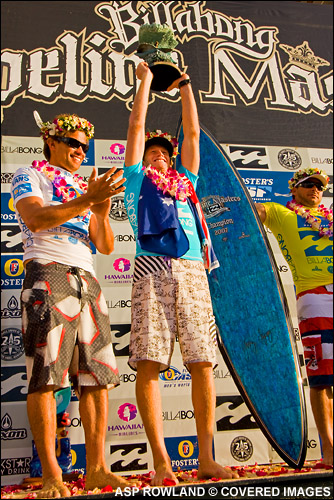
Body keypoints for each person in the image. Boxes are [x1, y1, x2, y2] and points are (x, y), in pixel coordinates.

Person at [123, 62, 238, 486]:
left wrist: (186, 85)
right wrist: (147, 83)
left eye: (162, 151)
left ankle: (206, 459)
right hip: (151, 266)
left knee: (202, 362)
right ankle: (161, 462)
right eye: (152, 151)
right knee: (150, 362)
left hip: (191, 269)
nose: (157, 153)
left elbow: (192, 134)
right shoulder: (136, 178)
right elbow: (137, 126)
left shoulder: (185, 179)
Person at [10, 112, 133, 498]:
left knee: (97, 376)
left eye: (84, 145)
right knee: (45, 376)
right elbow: (34, 218)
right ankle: (51, 475)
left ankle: (96, 469)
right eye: (72, 142)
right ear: (51, 141)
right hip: (49, 272)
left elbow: (107, 244)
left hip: (87, 277)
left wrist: (98, 209)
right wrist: (86, 198)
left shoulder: (85, 186)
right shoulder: (30, 175)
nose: (80, 150)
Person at [255, 167, 333, 466]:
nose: (316, 189)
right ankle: (329, 449)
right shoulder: (280, 212)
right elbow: (253, 213)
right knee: (321, 379)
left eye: (321, 186)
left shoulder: (330, 217)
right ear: (294, 189)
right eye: (309, 184)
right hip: (314, 298)